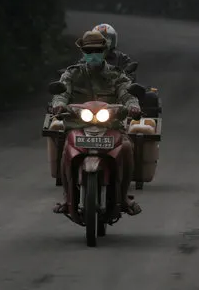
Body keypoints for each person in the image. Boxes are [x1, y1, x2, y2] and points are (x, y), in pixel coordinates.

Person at [51, 30, 142, 216]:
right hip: (77, 125)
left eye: (97, 50)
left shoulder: (117, 75)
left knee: (126, 147)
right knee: (65, 148)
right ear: (83, 52)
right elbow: (62, 93)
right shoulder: (72, 74)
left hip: (111, 126)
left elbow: (127, 93)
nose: (93, 55)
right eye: (89, 51)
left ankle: (123, 197)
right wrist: (59, 105)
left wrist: (133, 106)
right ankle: (68, 197)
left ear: (105, 50)